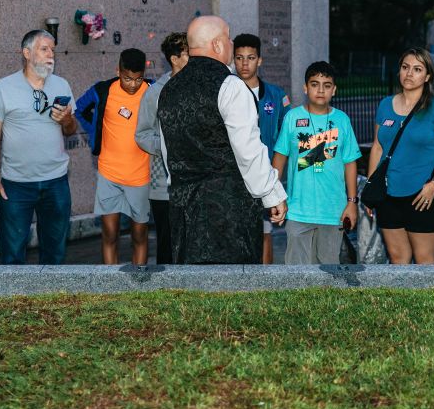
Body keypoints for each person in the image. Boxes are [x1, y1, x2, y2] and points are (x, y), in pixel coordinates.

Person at [158, 15, 287, 264]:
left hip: (183, 209)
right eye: (228, 38)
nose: (230, 43)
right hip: (228, 213)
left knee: (193, 289)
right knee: (232, 290)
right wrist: (272, 194)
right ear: (217, 45)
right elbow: (248, 151)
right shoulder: (231, 87)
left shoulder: (169, 89)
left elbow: (168, 153)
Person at [0, 30, 78, 265]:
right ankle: (13, 300)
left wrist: (66, 120)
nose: (51, 55)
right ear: (27, 53)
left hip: (56, 183)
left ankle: (49, 299)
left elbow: (70, 130)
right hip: (16, 186)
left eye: (53, 50)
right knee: (13, 253)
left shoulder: (62, 85)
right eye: (44, 49)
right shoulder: (3, 87)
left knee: (55, 252)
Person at [365, 48, 434, 265]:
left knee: (424, 260)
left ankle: (433, 300)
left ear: (427, 77)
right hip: (387, 194)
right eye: (405, 67)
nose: (409, 73)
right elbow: (378, 147)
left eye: (417, 69)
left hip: (422, 194)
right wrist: (371, 185)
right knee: (398, 259)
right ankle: (401, 300)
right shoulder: (385, 105)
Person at [272, 62, 361, 264]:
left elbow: (350, 163)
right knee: (297, 274)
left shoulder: (343, 120)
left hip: (333, 210)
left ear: (334, 90)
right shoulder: (292, 118)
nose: (320, 90)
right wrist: (274, 196)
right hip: (298, 210)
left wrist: (352, 202)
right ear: (305, 87)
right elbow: (279, 158)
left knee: (329, 274)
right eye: (314, 84)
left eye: (327, 85)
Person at [76, 48, 152, 266]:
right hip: (109, 175)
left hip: (141, 177)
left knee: (139, 235)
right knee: (110, 234)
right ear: (118, 71)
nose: (132, 84)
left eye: (138, 79)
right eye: (127, 78)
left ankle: (139, 283)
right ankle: (111, 286)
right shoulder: (103, 90)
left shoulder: (152, 91)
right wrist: (95, 135)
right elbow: (80, 109)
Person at [233, 33, 291, 264]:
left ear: (260, 60)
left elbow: (287, 136)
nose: (245, 63)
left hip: (265, 174)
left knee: (266, 233)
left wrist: (276, 173)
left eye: (250, 57)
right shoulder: (228, 92)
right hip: (236, 175)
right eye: (239, 57)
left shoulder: (276, 95)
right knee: (238, 233)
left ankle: (266, 279)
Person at [135, 33, 189, 264]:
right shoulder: (156, 92)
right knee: (167, 247)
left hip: (196, 185)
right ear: (175, 59)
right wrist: (170, 146)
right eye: (188, 53)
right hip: (163, 188)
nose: (194, 58)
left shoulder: (202, 87)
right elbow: (142, 134)